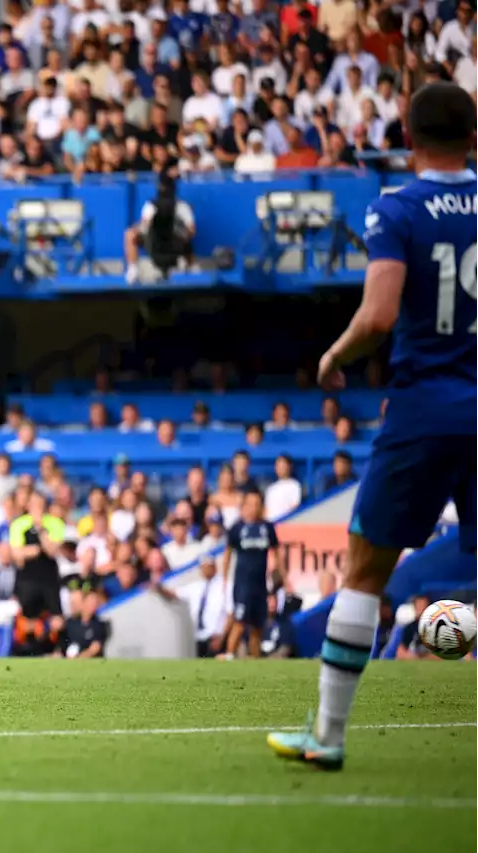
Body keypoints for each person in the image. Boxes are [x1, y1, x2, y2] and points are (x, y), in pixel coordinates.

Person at [269, 83, 478, 771]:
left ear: (409, 141)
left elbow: (381, 314)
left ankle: (327, 735)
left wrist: (334, 355)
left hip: (424, 407)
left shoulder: (399, 206)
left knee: (365, 567)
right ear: (473, 137)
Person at [220, 489, 280, 659]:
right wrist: (225, 578)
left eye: (257, 504)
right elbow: (227, 554)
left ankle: (256, 660)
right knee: (239, 622)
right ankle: (230, 655)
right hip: (242, 584)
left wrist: (282, 576)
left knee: (257, 626)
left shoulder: (267, 527)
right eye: (250, 504)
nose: (253, 508)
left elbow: (277, 553)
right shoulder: (237, 528)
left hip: (260, 584)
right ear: (243, 506)